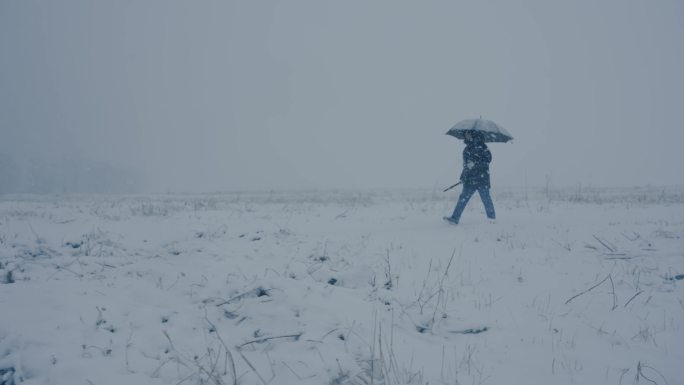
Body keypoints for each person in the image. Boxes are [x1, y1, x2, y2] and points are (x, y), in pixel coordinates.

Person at [444, 130, 496, 224]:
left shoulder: (483, 147)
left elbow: (488, 160)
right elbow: (465, 166)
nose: (466, 136)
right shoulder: (466, 149)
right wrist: (463, 176)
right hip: (470, 180)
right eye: (465, 135)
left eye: (468, 134)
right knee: (463, 199)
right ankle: (455, 218)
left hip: (482, 179)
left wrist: (475, 163)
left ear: (473, 134)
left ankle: (492, 219)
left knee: (486, 199)